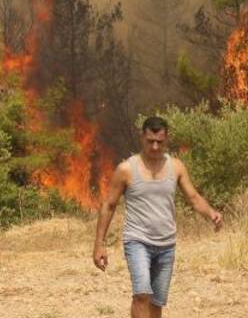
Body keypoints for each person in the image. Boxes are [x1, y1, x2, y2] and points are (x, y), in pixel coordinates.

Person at [93, 115, 223, 318]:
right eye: (150, 141)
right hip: (137, 241)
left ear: (167, 139)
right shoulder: (126, 169)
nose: (154, 147)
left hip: (166, 244)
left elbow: (194, 197)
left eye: (159, 142)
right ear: (141, 137)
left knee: (156, 302)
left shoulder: (176, 167)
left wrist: (212, 213)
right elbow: (109, 205)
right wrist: (99, 244)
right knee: (141, 295)